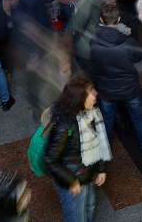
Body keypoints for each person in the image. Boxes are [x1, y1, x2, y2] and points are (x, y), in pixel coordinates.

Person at [89, 4, 142, 162]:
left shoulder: (93, 42)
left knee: (107, 120)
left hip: (107, 90)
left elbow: (94, 62)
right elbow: (138, 57)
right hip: (130, 88)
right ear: (119, 19)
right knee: (138, 118)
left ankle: (104, 152)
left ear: (101, 20)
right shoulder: (128, 42)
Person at [44, 78, 111, 222]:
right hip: (72, 178)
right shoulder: (64, 124)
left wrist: (101, 169)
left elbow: (99, 142)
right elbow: (50, 159)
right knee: (76, 217)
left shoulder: (91, 113)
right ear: (77, 100)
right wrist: (72, 181)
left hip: (86, 173)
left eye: (92, 90)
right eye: (88, 94)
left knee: (89, 207)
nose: (95, 94)